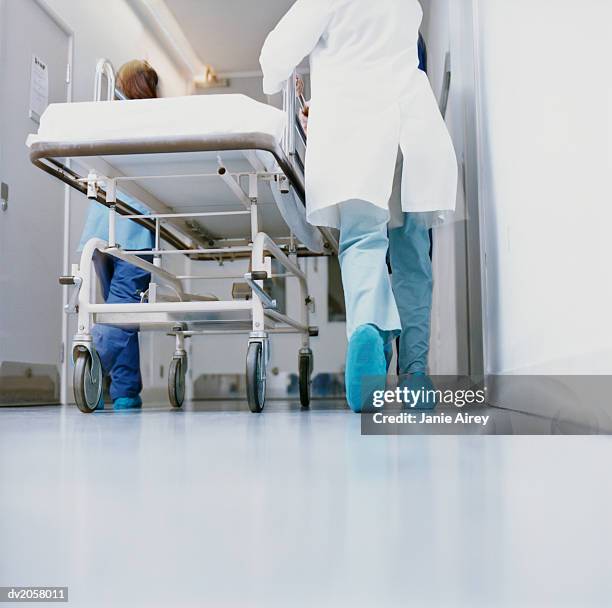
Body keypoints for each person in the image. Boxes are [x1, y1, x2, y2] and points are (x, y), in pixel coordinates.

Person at [260, 0, 458, 411]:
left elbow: (276, 54)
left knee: (363, 241)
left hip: (356, 131)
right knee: (412, 252)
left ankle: (368, 328)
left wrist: (281, 77)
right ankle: (415, 375)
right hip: (411, 128)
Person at [77, 60, 158, 410]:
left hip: (99, 232)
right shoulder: (158, 121)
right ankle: (92, 357)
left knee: (119, 309)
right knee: (124, 309)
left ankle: (126, 391)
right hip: (135, 232)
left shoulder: (104, 117)